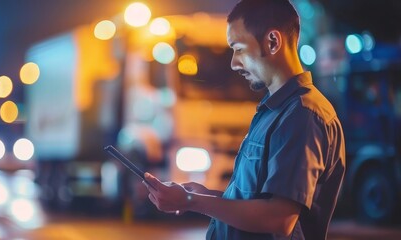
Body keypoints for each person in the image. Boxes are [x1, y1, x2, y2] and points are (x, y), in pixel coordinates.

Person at [143, 0, 346, 239]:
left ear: (272, 42)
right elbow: (255, 202)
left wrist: (191, 201)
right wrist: (205, 195)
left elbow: (278, 218)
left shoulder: (303, 115)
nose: (233, 63)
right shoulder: (274, 111)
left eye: (238, 49)